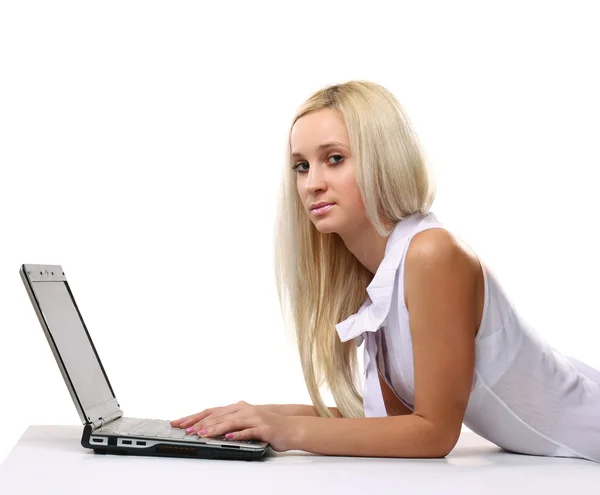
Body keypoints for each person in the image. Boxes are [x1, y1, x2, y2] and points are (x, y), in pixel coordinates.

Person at [170, 80, 600, 461]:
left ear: (382, 159)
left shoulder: (433, 254)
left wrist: (291, 430)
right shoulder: (380, 275)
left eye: (334, 159)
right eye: (301, 166)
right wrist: (263, 417)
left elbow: (433, 433)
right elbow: (391, 422)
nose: (311, 183)